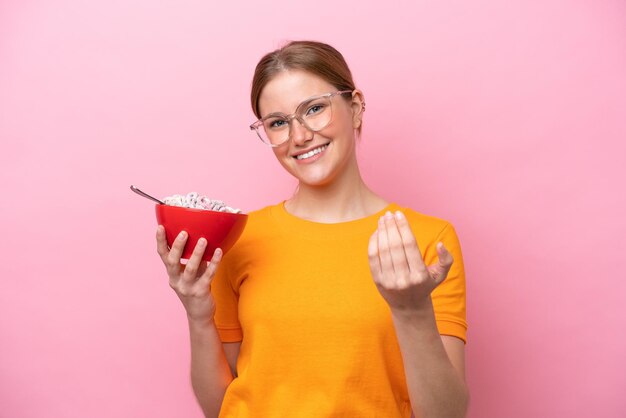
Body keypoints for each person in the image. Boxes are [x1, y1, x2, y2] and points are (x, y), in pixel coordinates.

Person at [156, 40, 468, 418]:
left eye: (315, 109)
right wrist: (197, 314)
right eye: (278, 123)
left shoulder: (426, 240)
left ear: (355, 107)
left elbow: (446, 414)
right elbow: (220, 408)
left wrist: (412, 310)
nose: (299, 136)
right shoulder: (239, 239)